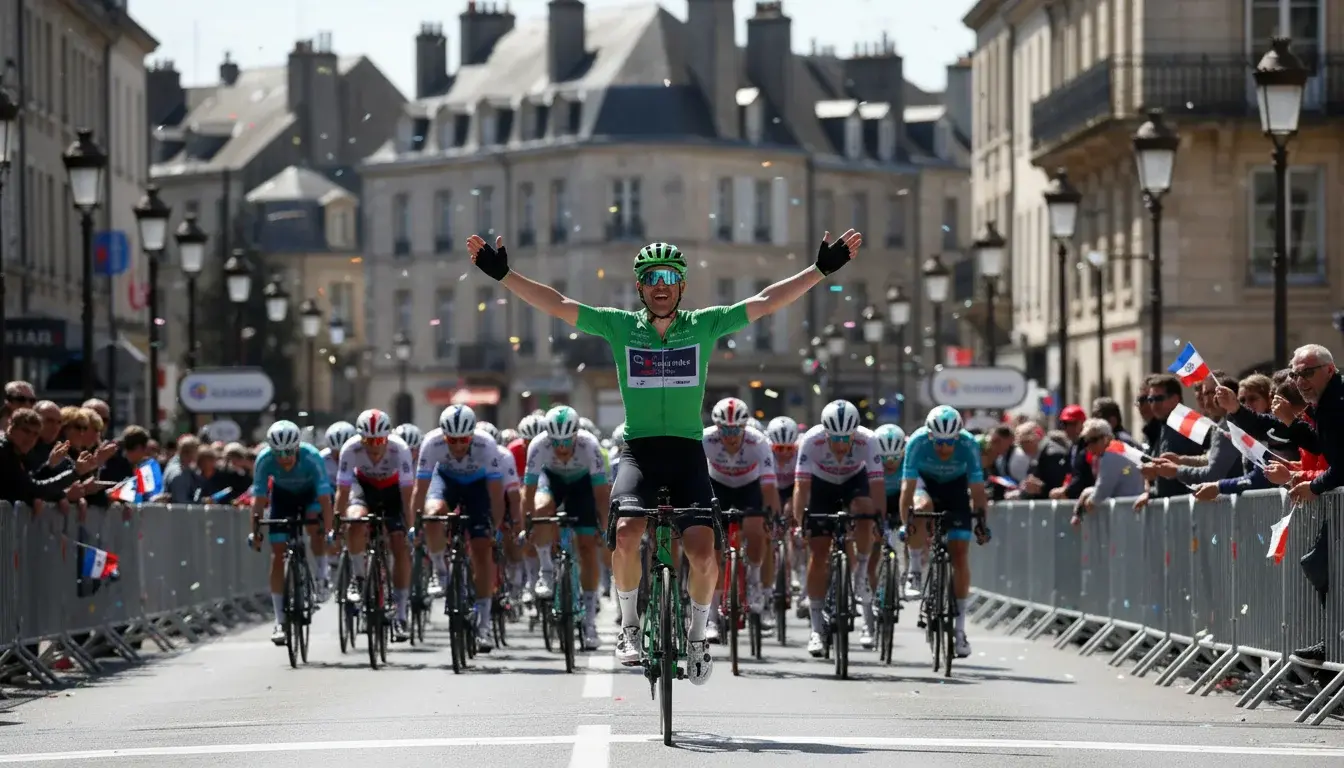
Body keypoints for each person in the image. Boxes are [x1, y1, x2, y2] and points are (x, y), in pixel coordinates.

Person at [467, 226, 861, 684]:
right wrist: (505, 276)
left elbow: (765, 302)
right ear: (639, 286)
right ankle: (630, 627)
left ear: (681, 286)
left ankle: (696, 638)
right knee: (630, 532)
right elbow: (557, 304)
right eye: (651, 277)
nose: (660, 285)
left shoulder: (703, 325)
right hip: (638, 451)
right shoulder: (619, 326)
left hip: (687, 453)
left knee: (703, 552)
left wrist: (818, 272)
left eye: (669, 277)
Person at [897, 405, 990, 658]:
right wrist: (907, 524)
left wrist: (982, 523)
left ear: (957, 437)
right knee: (921, 506)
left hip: (956, 490)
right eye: (938, 442)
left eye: (949, 443)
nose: (943, 449)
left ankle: (959, 631)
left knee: (959, 555)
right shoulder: (917, 442)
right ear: (930, 436)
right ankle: (915, 569)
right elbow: (907, 489)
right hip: (925, 486)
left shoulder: (969, 444)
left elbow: (979, 491)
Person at [792, 400, 884, 656]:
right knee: (819, 554)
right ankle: (816, 628)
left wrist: (880, 521)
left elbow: (877, 487)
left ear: (855, 433)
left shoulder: (868, 440)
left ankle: (861, 571)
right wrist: (801, 524)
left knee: (865, 509)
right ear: (826, 433)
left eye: (847, 438)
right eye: (836, 438)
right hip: (822, 485)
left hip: (854, 481)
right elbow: (801, 487)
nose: (842, 445)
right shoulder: (812, 441)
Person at [412, 405, 506, 651]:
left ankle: (484, 625)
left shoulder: (486, 445)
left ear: (472, 436)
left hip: (477, 487)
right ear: (444, 436)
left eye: (463, 439)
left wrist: (495, 528)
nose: (457, 445)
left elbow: (497, 494)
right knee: (432, 515)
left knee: (482, 550)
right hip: (445, 483)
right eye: (451, 440)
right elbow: (419, 490)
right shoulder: (431, 444)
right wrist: (415, 525)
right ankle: (440, 571)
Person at [523, 405, 611, 650]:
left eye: (566, 442)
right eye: (556, 442)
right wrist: (527, 525)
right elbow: (528, 492)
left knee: (586, 546)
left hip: (582, 486)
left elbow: (601, 494)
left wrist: (604, 528)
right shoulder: (538, 445)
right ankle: (547, 571)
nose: (561, 448)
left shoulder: (589, 445)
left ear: (576, 435)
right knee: (541, 510)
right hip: (550, 481)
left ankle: (590, 622)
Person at [249, 421, 334, 643]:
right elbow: (258, 502)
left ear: (297, 447)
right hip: (283, 497)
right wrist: (255, 533)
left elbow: (325, 498)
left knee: (315, 524)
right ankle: (279, 621)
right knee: (277, 555)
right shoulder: (264, 459)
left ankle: (322, 575)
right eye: (279, 453)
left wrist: (330, 531)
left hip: (311, 495)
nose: (284, 458)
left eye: (289, 452)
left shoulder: (312, 456)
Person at [336, 409, 415, 642]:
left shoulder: (400, 449)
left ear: (387, 437)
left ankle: (400, 614)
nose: (373, 446)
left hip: (392, 492)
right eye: (368, 441)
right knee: (355, 521)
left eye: (379, 440)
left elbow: (408, 493)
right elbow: (342, 491)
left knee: (399, 543)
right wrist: (337, 524)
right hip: (364, 489)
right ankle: (359, 578)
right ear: (360, 438)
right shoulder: (350, 449)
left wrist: (412, 528)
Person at [702, 397, 779, 634]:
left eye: (736, 430)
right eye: (725, 430)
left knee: (757, 530)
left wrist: (772, 518)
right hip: (718, 486)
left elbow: (769, 487)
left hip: (749, 488)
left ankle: (755, 582)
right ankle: (712, 616)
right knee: (714, 551)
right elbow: (692, 478)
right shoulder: (705, 439)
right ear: (717, 427)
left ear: (745, 427)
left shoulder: (759, 442)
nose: (730, 436)